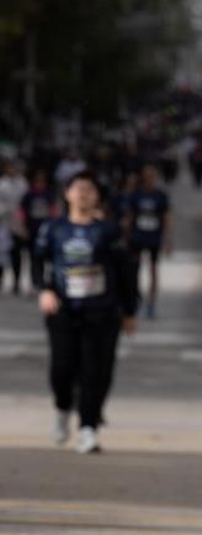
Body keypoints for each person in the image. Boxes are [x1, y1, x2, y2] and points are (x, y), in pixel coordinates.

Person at [32, 172, 139, 454]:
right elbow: (37, 261)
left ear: (97, 197)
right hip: (64, 310)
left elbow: (126, 272)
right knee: (62, 368)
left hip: (101, 313)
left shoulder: (108, 231)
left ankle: (88, 428)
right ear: (67, 194)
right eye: (78, 189)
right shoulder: (53, 229)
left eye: (89, 190)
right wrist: (44, 290)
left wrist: (129, 311)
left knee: (96, 371)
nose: (83, 194)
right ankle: (62, 408)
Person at [125, 164, 172, 318]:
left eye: (152, 176)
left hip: (154, 238)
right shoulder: (136, 195)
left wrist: (167, 239)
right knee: (134, 270)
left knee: (153, 270)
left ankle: (151, 302)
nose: (149, 179)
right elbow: (129, 217)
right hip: (137, 237)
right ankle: (136, 298)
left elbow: (166, 218)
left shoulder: (161, 196)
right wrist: (126, 236)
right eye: (147, 176)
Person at [17, 169, 58, 295]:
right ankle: (36, 282)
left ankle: (49, 282)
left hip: (46, 231)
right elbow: (21, 212)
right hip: (32, 230)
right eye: (38, 181)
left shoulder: (48, 194)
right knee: (34, 258)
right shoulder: (29, 195)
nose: (40, 183)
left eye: (42, 181)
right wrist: (22, 228)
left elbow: (54, 211)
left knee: (48, 259)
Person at [0, 160, 28, 294]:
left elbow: (26, 202)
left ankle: (16, 283)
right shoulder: (2, 184)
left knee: (17, 254)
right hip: (3, 222)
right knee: (1, 253)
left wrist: (21, 219)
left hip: (18, 222)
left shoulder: (23, 183)